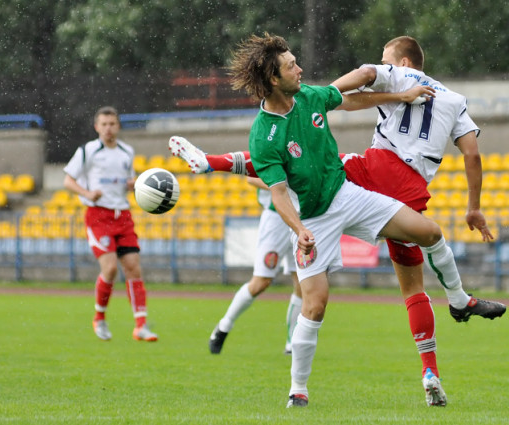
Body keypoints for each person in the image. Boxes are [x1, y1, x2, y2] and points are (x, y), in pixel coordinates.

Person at [187, 32, 460, 408]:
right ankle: (298, 389)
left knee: (428, 231)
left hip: (348, 194)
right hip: (314, 218)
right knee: (315, 304)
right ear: (272, 79)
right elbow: (279, 193)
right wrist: (299, 230)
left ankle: (460, 300)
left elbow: (351, 98)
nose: (300, 69)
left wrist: (400, 96)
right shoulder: (263, 136)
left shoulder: (311, 97)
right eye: (291, 66)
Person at [169, 36, 506, 324]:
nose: (382, 64)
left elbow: (365, 74)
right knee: (420, 272)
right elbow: (472, 155)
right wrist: (473, 207)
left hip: (376, 169)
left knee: (306, 164)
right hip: (414, 190)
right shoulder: (455, 100)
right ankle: (454, 312)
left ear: (403, 61)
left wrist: (327, 92)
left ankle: (209, 162)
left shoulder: (397, 73)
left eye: (386, 59)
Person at [63, 106, 158, 342]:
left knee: (133, 267)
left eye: (112, 124)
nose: (108, 128)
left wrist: (132, 184)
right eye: (104, 124)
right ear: (97, 127)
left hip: (123, 215)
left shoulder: (127, 152)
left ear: (118, 126)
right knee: (110, 269)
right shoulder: (88, 151)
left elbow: (128, 180)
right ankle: (100, 318)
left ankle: (141, 325)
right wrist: (87, 192)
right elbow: (68, 180)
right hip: (98, 216)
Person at [209, 177, 301, 355]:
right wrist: (283, 185)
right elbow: (251, 177)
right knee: (261, 282)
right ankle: (224, 326)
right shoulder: (271, 148)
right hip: (277, 218)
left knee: (303, 283)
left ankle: (292, 344)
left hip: (305, 217)